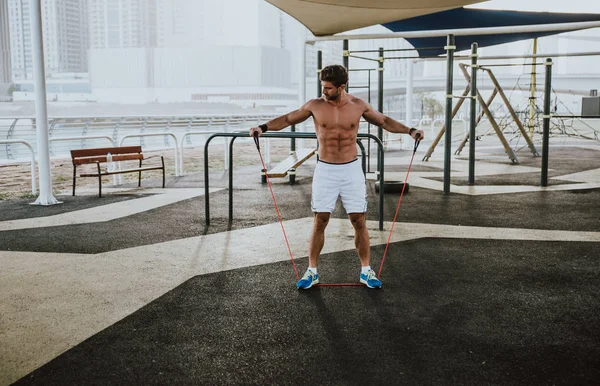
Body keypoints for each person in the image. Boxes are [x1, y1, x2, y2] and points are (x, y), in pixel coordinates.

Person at [249, 64, 424, 290]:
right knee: (320, 220)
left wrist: (411, 131)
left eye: (328, 88)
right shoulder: (315, 105)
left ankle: (365, 271)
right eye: (323, 87)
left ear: (341, 87)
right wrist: (263, 127)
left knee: (358, 220)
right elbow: (288, 118)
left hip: (351, 170)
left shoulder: (358, 105)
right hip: (325, 170)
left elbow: (384, 121)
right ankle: (312, 271)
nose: (324, 91)